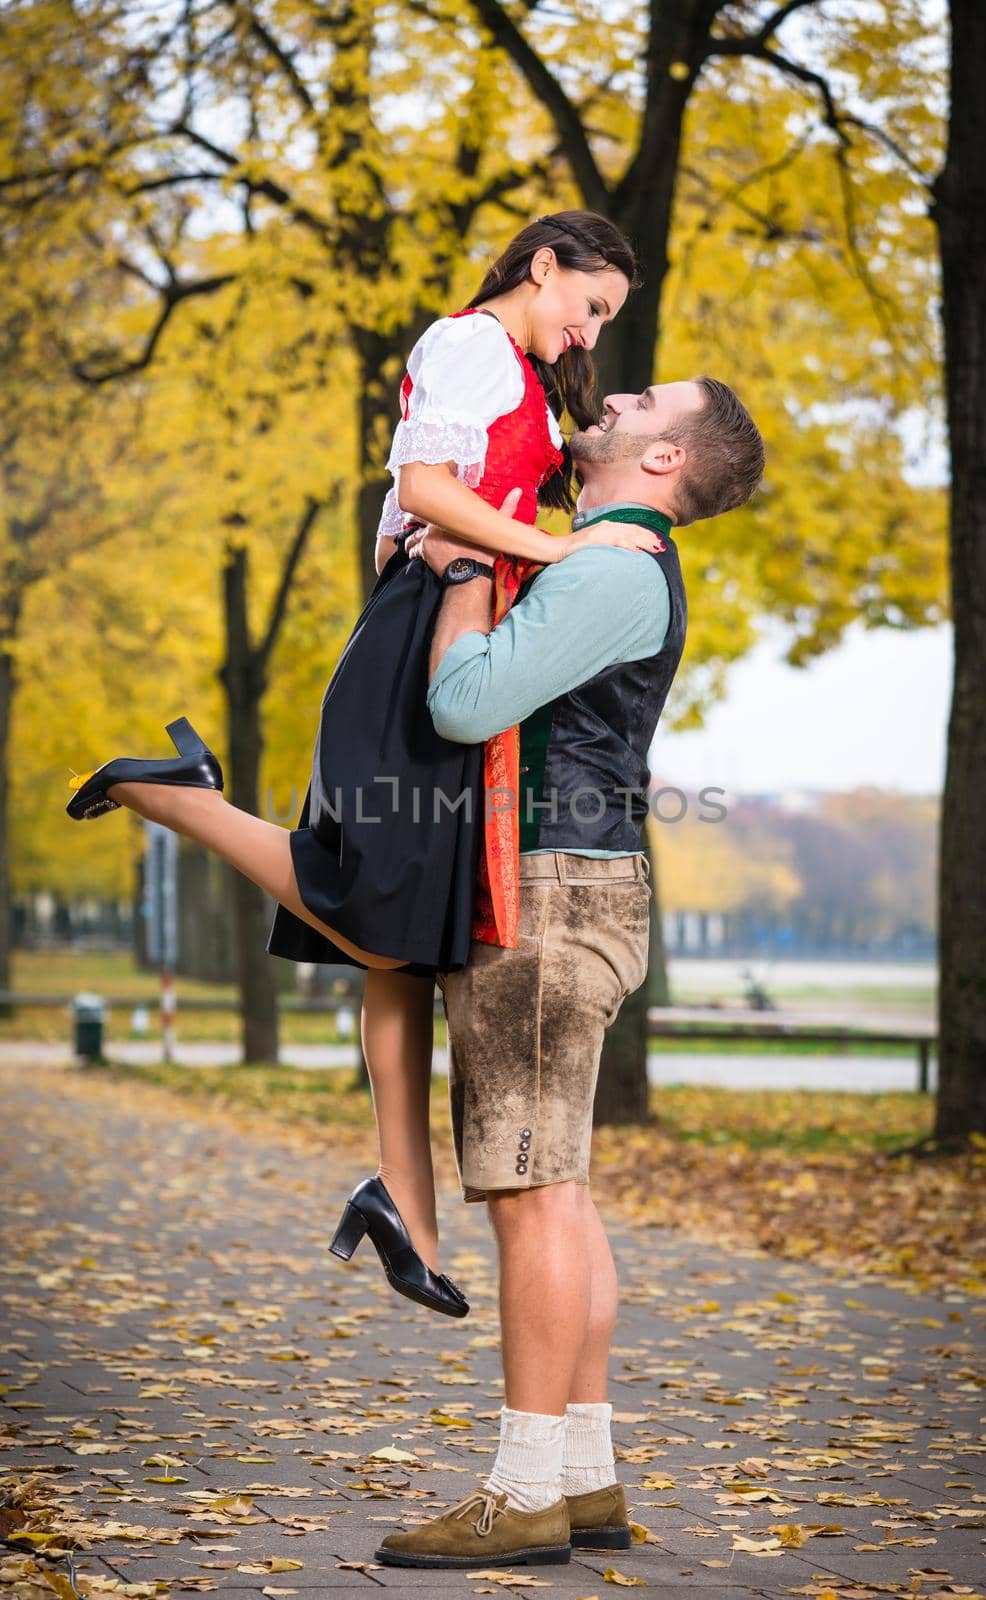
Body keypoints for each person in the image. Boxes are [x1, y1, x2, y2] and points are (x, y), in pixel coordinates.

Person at [64, 211, 663, 1319]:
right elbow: (428, 486)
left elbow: (416, 521)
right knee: (381, 910)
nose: (587, 332)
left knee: (408, 951)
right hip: (411, 658)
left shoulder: (526, 380)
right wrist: (550, 544)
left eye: (603, 321)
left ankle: (406, 1210)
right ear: (543, 267)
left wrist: (462, 553)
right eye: (588, 305)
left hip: (436, 625)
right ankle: (175, 796)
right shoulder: (470, 344)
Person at [372, 375, 765, 1569]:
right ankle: (583, 1475)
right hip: (570, 881)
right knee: (563, 1190)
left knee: (530, 1195)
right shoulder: (599, 558)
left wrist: (451, 580)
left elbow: (464, 701)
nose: (617, 391)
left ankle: (522, 1491)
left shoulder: (606, 566)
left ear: (661, 460)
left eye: (646, 400)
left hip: (542, 891)